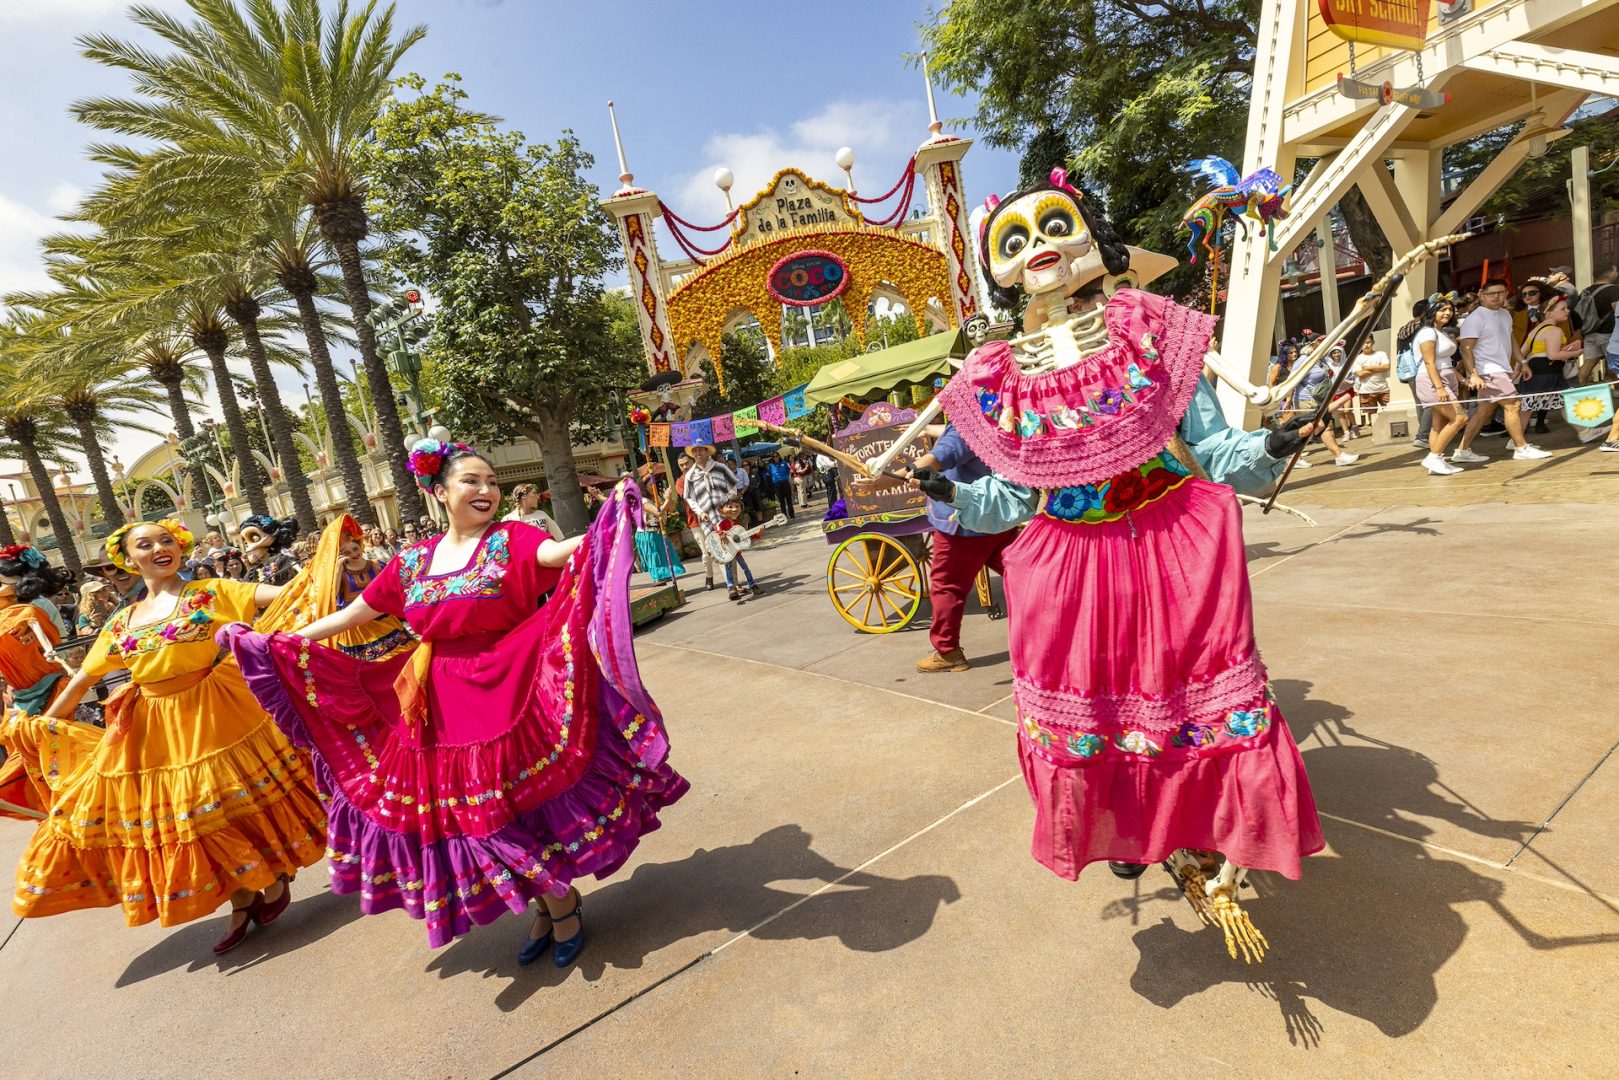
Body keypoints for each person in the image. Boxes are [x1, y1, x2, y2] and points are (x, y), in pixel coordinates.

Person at [911, 170, 1322, 959]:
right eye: (1015, 239)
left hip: (1172, 547)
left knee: (1191, 700)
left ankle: (1196, 827)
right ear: (1000, 270)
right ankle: (1132, 826)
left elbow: (1212, 445)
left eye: (1052, 225)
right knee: (1102, 715)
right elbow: (1011, 496)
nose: (1037, 248)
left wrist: (1267, 446)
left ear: (1090, 238)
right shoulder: (1005, 372)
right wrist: (955, 498)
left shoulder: (1147, 331)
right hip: (1071, 567)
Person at [223, 439, 688, 964]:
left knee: (510, 806)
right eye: (471, 480)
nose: (487, 489)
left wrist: (610, 518)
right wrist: (274, 641)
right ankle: (549, 903)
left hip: (510, 685)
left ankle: (560, 906)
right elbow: (353, 615)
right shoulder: (411, 561)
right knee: (474, 815)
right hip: (439, 701)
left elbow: (558, 554)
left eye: (491, 481)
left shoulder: (512, 538)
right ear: (440, 492)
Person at [10, 518, 326, 955]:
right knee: (191, 818)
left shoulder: (211, 592)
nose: (160, 549)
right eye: (146, 544)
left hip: (217, 712)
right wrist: (43, 722)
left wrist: (332, 559)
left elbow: (291, 595)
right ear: (127, 559)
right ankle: (242, 895)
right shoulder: (122, 622)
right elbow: (83, 680)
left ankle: (267, 881)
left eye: (166, 541)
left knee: (221, 805)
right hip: (156, 728)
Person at [909, 423, 1017, 673]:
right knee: (1024, 576)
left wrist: (890, 477)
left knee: (946, 586)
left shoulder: (966, 423)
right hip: (997, 514)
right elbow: (960, 435)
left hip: (963, 523)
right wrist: (930, 429)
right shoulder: (989, 415)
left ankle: (947, 651)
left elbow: (944, 453)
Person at [1451, 280, 1552, 462]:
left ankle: (1462, 450)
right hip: (1488, 370)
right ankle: (1520, 447)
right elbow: (1466, 350)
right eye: (1492, 293)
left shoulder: (1505, 314)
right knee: (1513, 405)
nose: (1497, 296)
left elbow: (1510, 339)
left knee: (1484, 412)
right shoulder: (1475, 319)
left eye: (1501, 292)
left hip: (1499, 369)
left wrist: (1522, 361)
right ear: (1482, 295)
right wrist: (1474, 374)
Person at [1412, 299, 1469, 475]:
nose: (1447, 312)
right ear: (1432, 311)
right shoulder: (1427, 332)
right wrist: (1439, 387)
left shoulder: (1441, 331)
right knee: (1460, 418)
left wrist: (1462, 380)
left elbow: (1446, 363)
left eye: (1450, 309)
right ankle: (1434, 457)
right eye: (1442, 309)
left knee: (1439, 424)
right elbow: (1429, 362)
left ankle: (1437, 461)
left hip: (1446, 377)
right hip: (1432, 380)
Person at [1516, 293, 1581, 436]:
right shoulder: (1554, 330)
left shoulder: (1535, 331)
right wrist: (1577, 352)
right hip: (1546, 372)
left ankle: (1584, 431)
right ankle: (1516, 441)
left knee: (1533, 407)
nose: (1567, 311)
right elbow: (1553, 355)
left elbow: (1521, 353)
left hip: (1539, 371)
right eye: (1563, 309)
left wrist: (1516, 372)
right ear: (1549, 314)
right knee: (1529, 408)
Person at [683, 440, 742, 590]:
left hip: (724, 516)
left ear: (707, 451)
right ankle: (731, 585)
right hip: (707, 518)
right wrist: (700, 512)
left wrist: (727, 505)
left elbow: (733, 487)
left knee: (730, 548)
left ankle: (734, 583)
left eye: (701, 450)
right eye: (695, 451)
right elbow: (689, 498)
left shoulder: (720, 468)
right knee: (717, 550)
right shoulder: (690, 475)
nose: (698, 453)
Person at [1575, 263, 1619, 383]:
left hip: (1590, 334)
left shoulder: (1585, 291)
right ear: (1609, 273)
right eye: (1615, 271)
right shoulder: (1614, 290)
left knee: (1588, 364)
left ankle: (1577, 390)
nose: (1617, 273)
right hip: (1609, 335)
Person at [713, 497, 759, 602]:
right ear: (721, 510)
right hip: (728, 552)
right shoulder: (722, 523)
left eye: (737, 506)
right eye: (730, 507)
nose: (734, 509)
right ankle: (731, 588)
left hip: (737, 552)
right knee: (728, 569)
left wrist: (758, 533)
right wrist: (721, 534)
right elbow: (717, 529)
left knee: (745, 568)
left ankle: (752, 585)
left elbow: (745, 535)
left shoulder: (738, 523)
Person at [239, 514, 303, 584]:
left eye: (255, 539)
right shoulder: (252, 573)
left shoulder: (287, 562)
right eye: (245, 543)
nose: (248, 548)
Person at [1352, 336, 1391, 429]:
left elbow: (1386, 367)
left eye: (1368, 342)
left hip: (1383, 389)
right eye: (1363, 343)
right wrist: (1378, 368)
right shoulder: (1357, 359)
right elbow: (1360, 374)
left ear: (1373, 342)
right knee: (1372, 417)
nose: (1366, 345)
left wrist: (1369, 368)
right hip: (1366, 391)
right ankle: (1376, 432)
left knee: (1390, 412)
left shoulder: (1381, 354)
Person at [766, 454, 795, 520]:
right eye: (774, 456)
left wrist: (784, 477)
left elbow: (788, 471)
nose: (775, 457)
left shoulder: (784, 463)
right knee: (781, 501)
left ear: (779, 456)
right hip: (777, 484)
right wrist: (775, 479)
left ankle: (792, 514)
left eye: (776, 456)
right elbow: (770, 474)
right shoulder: (770, 465)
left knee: (789, 499)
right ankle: (784, 516)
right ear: (772, 458)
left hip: (785, 482)